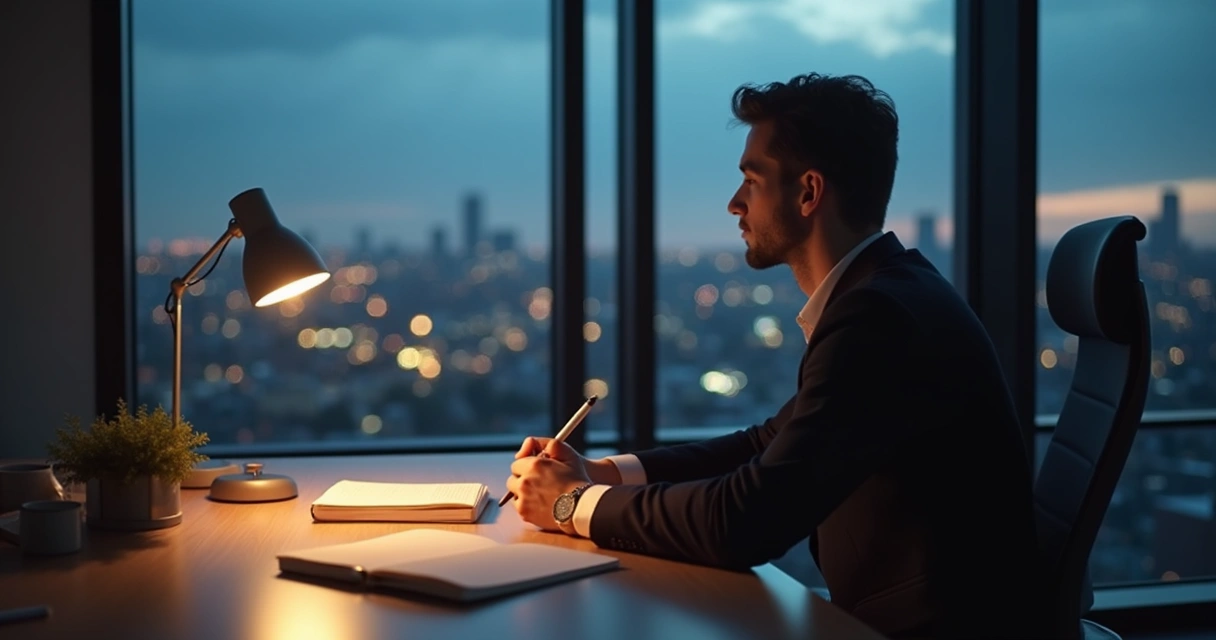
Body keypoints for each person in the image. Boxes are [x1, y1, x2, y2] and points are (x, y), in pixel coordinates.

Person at [505, 73, 1044, 639]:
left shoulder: (877, 319)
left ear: (808, 193)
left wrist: (572, 504)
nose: (734, 203)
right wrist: (602, 473)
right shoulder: (891, 292)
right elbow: (765, 444)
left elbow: (748, 521)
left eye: (751, 180)